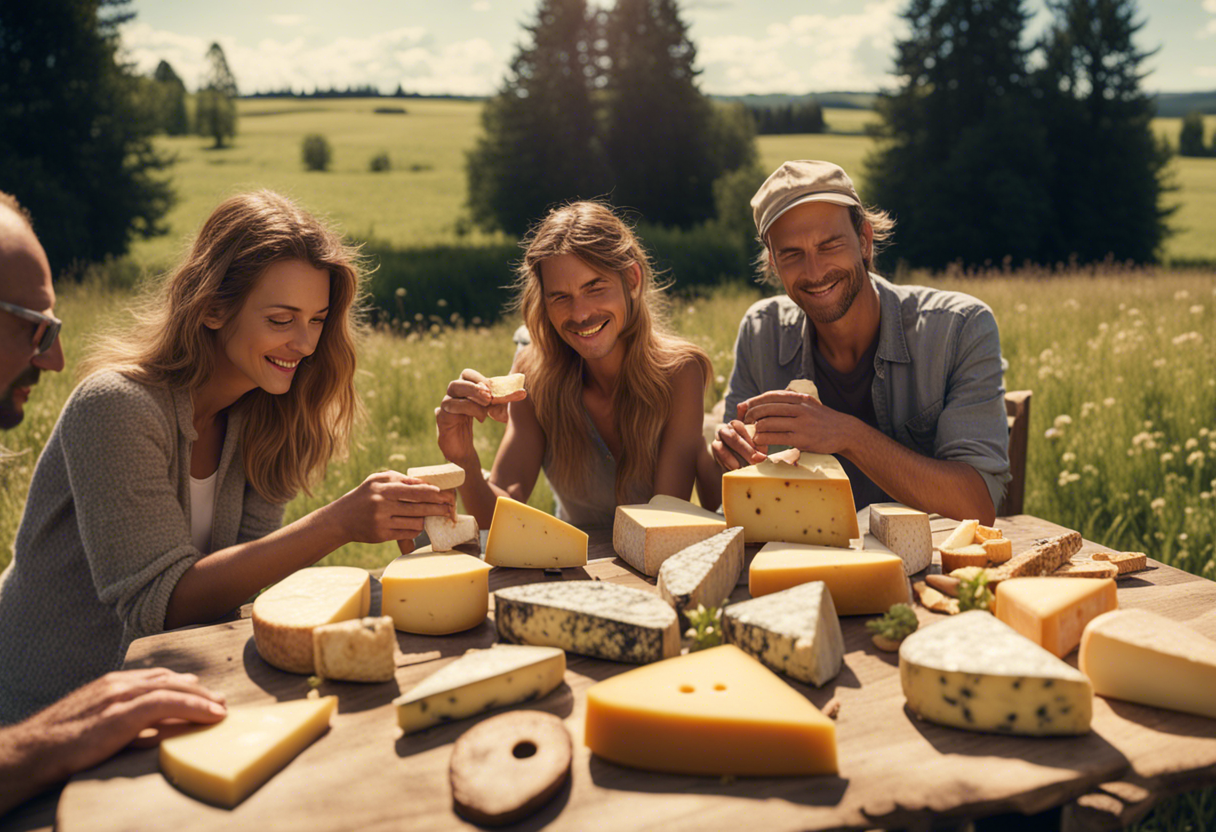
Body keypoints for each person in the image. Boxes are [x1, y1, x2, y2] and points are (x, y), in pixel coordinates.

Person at [0, 190, 454, 725]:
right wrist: (338, 523)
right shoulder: (117, 407)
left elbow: (237, 585)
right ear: (213, 307)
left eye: (317, 320)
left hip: (163, 704)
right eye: (281, 319)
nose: (305, 344)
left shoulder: (272, 421)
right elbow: (157, 607)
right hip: (39, 718)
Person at [0, 192, 228, 816]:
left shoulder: (258, 422)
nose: (55, 359)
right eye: (32, 326)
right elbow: (158, 598)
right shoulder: (117, 407)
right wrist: (45, 741)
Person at [711, 160, 1010, 523]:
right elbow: (735, 494)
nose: (815, 271)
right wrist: (735, 456)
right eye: (791, 255)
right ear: (773, 264)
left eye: (829, 245)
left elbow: (976, 506)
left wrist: (846, 434)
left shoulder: (959, 328)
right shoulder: (761, 332)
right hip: (804, 567)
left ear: (865, 241)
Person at [436, 200, 717, 530]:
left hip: (650, 568)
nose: (581, 313)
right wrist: (463, 459)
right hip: (568, 572)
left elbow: (663, 526)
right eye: (560, 296)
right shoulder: (533, 377)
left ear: (632, 279)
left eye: (595, 287)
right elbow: (500, 520)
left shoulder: (681, 373)